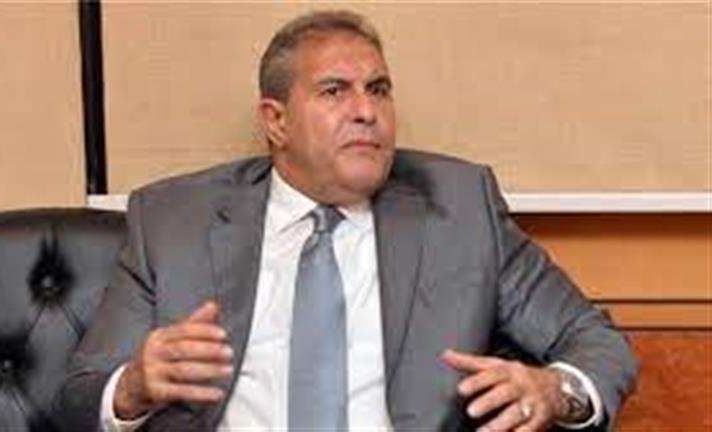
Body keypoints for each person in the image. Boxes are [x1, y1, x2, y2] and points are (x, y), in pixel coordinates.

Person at [57, 10, 636, 432]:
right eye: (335, 91)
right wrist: (131, 387)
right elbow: (80, 397)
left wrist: (554, 389)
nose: (366, 111)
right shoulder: (173, 221)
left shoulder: (461, 210)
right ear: (276, 120)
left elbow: (598, 344)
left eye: (378, 90)